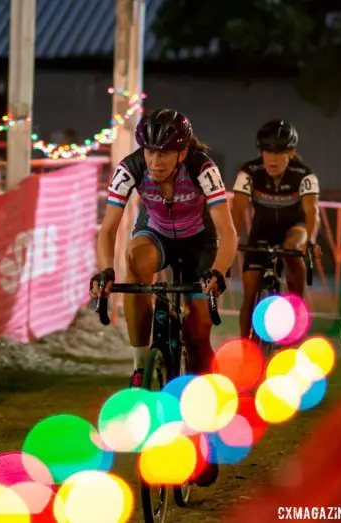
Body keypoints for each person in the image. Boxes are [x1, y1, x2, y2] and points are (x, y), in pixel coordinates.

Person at [90, 109, 237, 486]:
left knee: (199, 332)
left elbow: (227, 231)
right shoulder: (131, 167)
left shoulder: (204, 168)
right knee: (134, 264)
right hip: (155, 235)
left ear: (182, 153)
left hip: (200, 244)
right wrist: (105, 271)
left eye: (165, 154)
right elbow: (108, 229)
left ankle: (208, 431)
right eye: (150, 152)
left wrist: (217, 273)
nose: (155, 161)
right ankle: (141, 365)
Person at [230, 119, 321, 340]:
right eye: (267, 151)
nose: (273, 158)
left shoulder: (304, 174)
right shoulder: (249, 172)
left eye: (280, 152)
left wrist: (311, 241)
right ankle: (245, 346)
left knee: (292, 246)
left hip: (294, 228)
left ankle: (296, 307)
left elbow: (311, 212)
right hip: (262, 230)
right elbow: (238, 209)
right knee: (250, 293)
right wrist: (231, 239)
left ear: (291, 153)